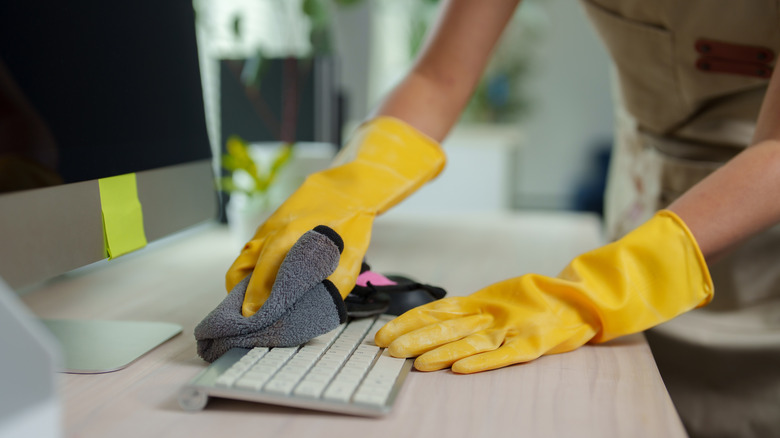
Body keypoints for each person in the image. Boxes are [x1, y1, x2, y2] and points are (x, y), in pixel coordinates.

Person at [226, 1, 780, 436]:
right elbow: (439, 78)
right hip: (645, 191)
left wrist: (600, 290)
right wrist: (348, 186)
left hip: (760, 246)